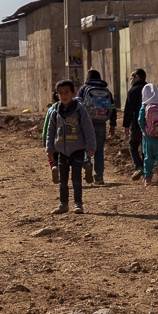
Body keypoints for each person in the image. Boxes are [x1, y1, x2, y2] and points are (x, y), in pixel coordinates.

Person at [45, 79, 96, 215]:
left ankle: (78, 204)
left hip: (77, 150)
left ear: (73, 93)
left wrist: (91, 146)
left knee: (76, 178)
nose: (64, 95)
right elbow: (50, 131)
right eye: (61, 93)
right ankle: (63, 204)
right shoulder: (55, 112)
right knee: (63, 180)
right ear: (57, 95)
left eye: (67, 92)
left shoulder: (80, 111)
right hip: (62, 151)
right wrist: (49, 148)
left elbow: (88, 129)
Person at [77, 69, 117, 185]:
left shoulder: (84, 89)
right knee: (99, 150)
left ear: (87, 79)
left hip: (86, 124)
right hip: (101, 123)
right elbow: (113, 109)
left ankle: (86, 163)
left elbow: (77, 106)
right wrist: (113, 125)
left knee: (85, 147)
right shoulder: (106, 90)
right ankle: (99, 177)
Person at [135, 82, 158, 186]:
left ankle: (148, 178)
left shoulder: (145, 105)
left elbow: (140, 119)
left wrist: (144, 131)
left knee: (148, 158)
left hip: (149, 137)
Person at [122, 69, 149, 180]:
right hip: (150, 123)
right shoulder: (150, 89)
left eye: (131, 78)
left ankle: (138, 166)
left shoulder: (133, 91)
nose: (130, 81)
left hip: (137, 123)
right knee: (145, 147)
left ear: (137, 77)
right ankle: (147, 172)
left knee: (133, 145)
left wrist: (126, 125)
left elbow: (128, 109)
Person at [42, 90, 60, 183]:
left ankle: (54, 166)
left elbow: (46, 126)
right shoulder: (70, 109)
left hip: (53, 138)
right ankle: (60, 171)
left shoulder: (51, 110)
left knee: (53, 156)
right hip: (64, 139)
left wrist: (44, 138)